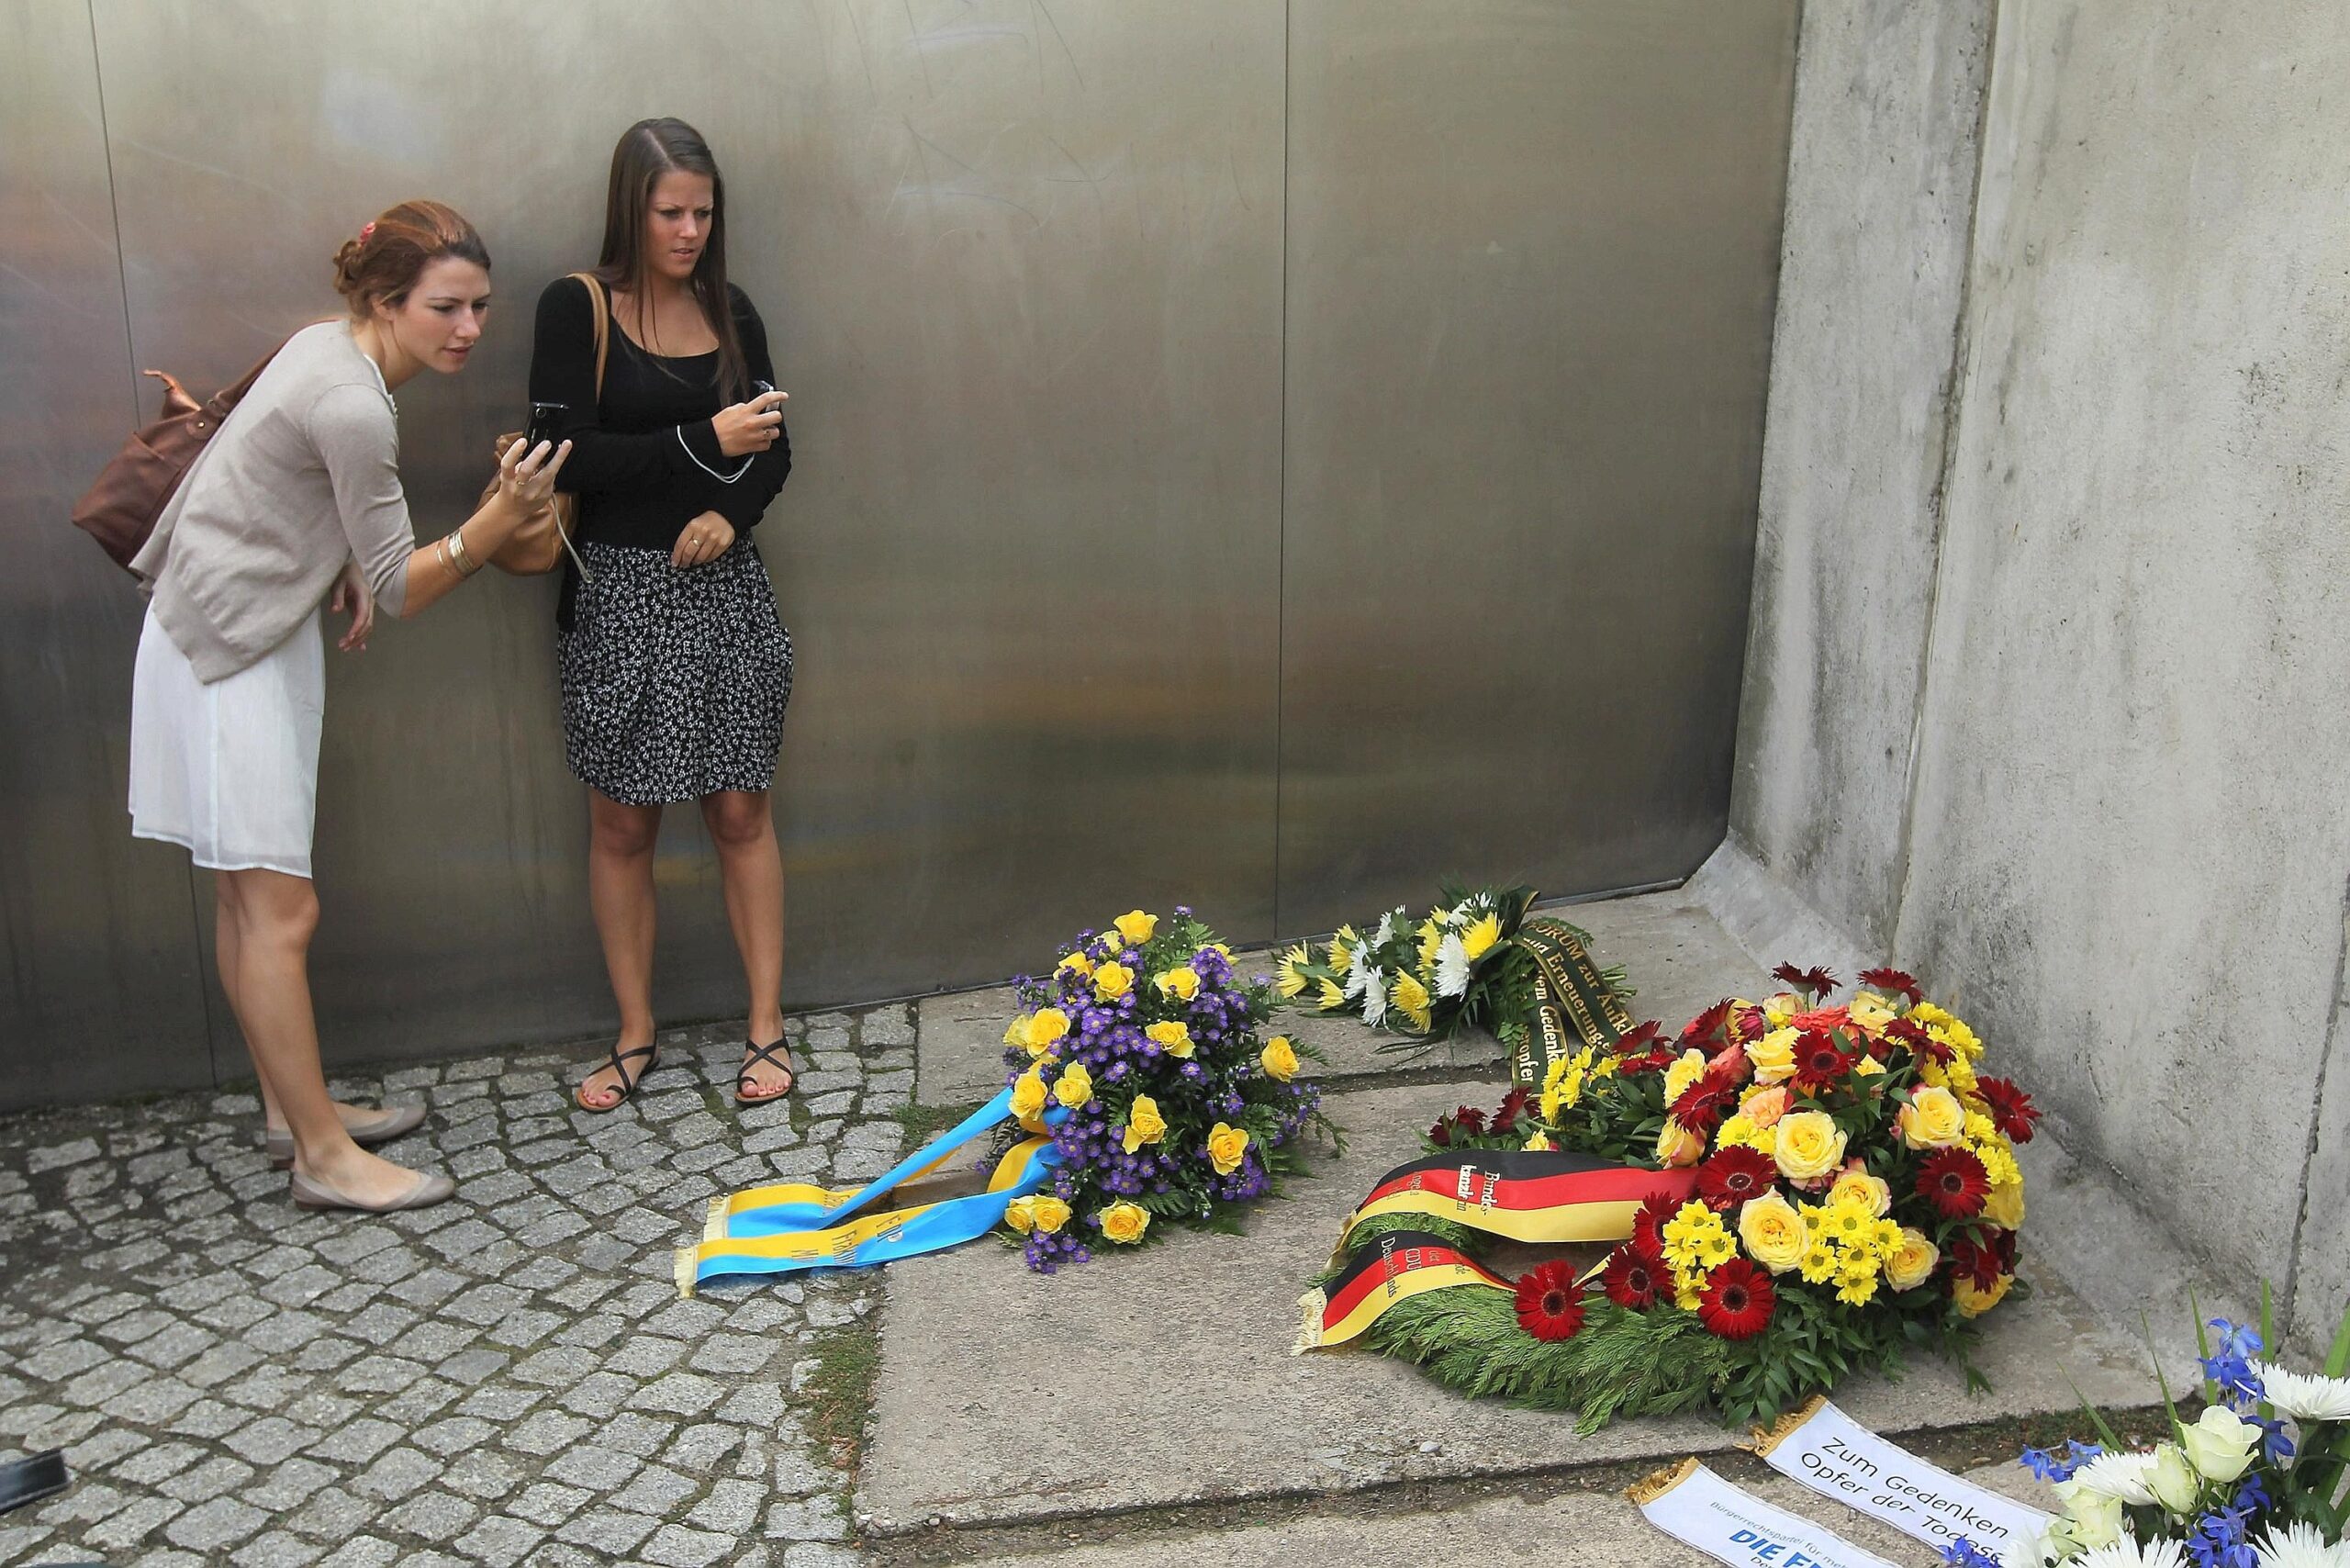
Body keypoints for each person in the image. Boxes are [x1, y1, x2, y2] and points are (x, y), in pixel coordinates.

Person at [129, 201, 569, 1212]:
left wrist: (340, 563)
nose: (467, 329)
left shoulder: (325, 348)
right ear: (384, 299)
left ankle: (294, 1108)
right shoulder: (357, 403)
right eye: (445, 308)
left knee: (251, 903)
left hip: (219, 631)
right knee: (280, 909)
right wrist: (498, 520)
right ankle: (324, 1157)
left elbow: (273, 486)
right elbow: (409, 586)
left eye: (480, 308)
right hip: (229, 650)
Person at [529, 118, 798, 1113]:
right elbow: (564, 455)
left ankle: (764, 1024)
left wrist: (729, 510)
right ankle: (635, 1031)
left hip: (723, 594)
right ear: (630, 208)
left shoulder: (731, 312)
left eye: (703, 212)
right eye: (669, 211)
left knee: (739, 809)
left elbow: (771, 449)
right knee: (621, 822)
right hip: (617, 593)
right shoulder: (578, 307)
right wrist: (700, 440)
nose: (688, 230)